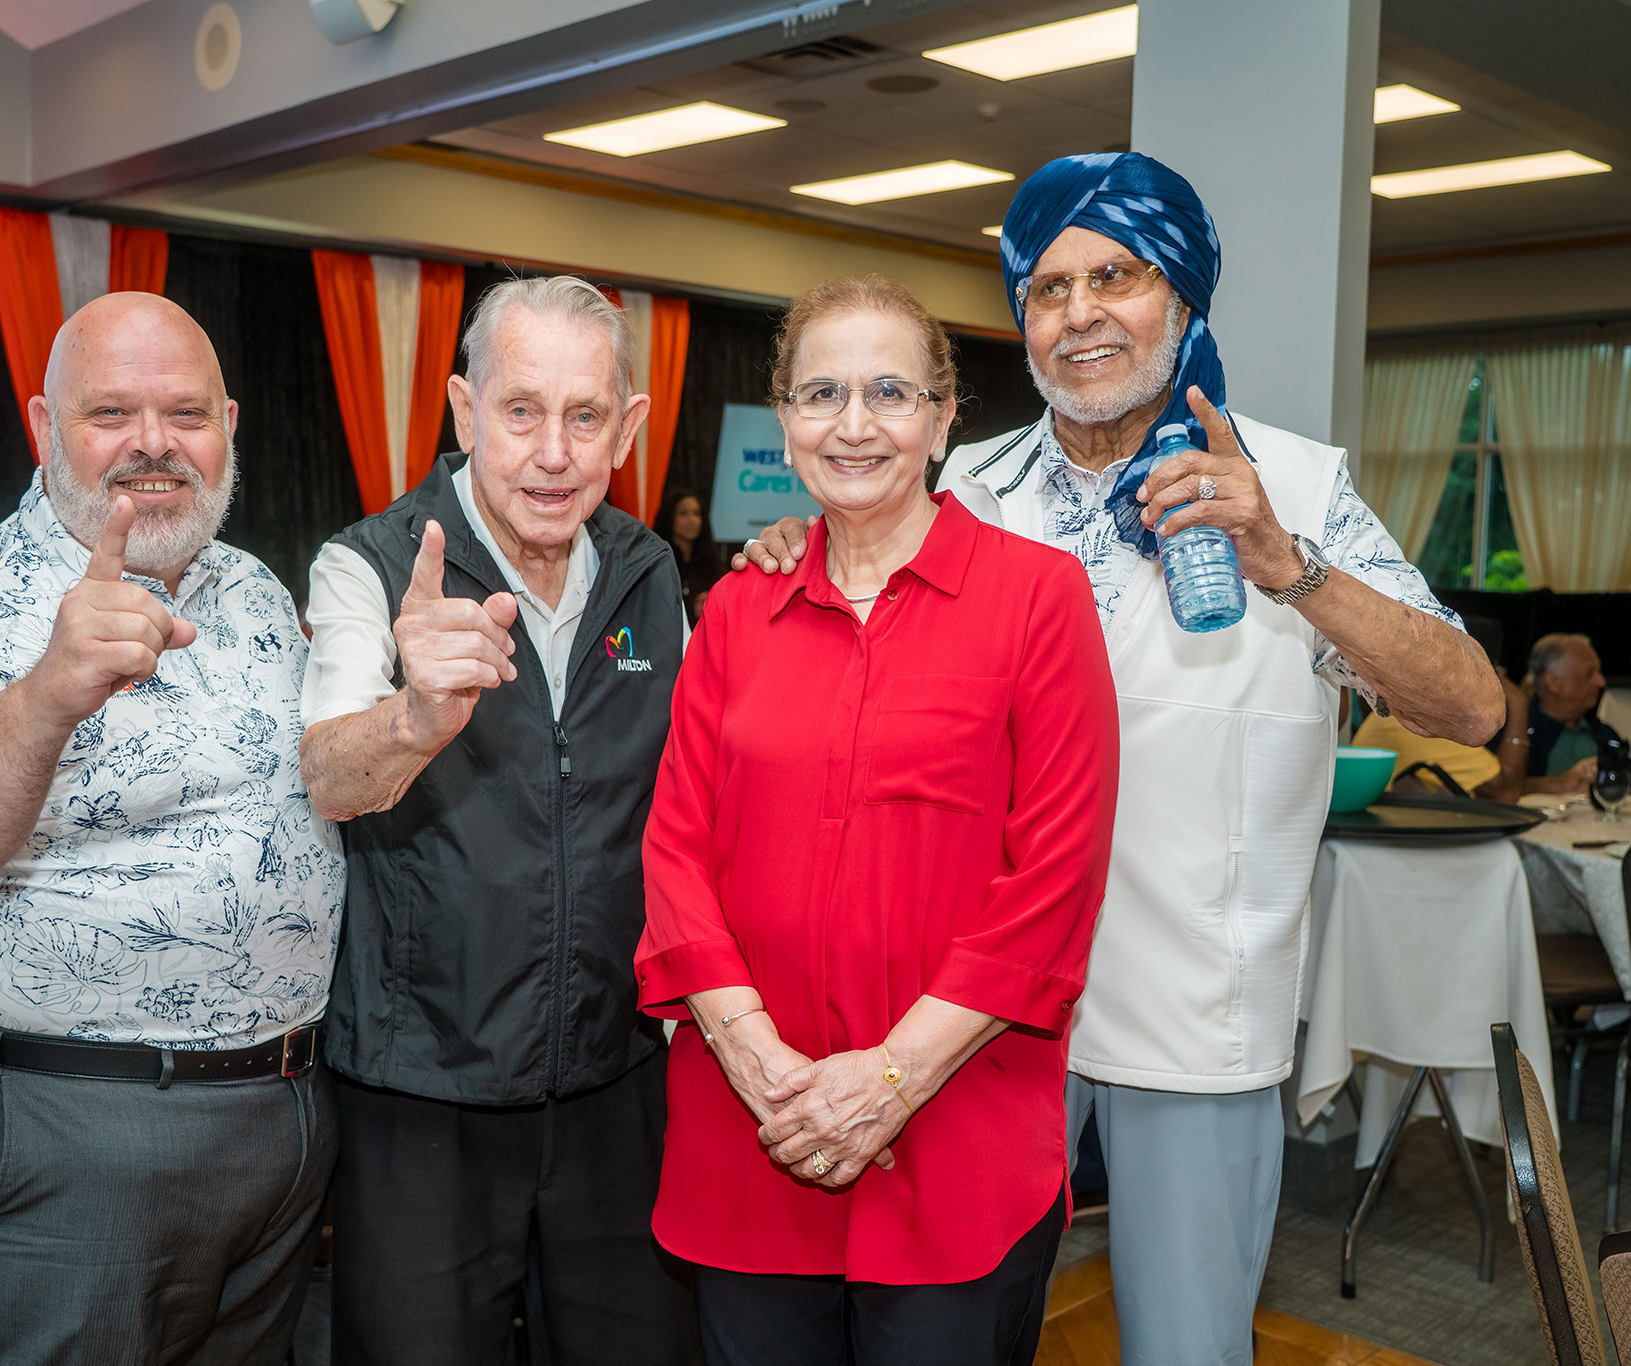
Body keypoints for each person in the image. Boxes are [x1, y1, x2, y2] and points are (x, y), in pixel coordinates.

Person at [739, 154, 1505, 1365]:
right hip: (960, 1020)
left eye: (1116, 276)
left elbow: (1470, 707)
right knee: (947, 1332)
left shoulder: (1292, 486)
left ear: (1182, 297)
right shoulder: (959, 487)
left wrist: (1286, 565)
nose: (1080, 312)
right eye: (1047, 288)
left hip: (1185, 1018)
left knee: (1182, 1348)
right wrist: (796, 543)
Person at [0, 293, 344, 1364]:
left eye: (186, 413)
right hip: (53, 1138)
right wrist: (44, 699)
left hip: (273, 1123)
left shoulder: (252, 589)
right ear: (43, 427)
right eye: (110, 412)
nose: (154, 443)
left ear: (229, 427)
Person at [636, 275, 1117, 1365]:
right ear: (786, 421)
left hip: (956, 1138)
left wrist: (889, 1077)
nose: (854, 424)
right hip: (753, 1126)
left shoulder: (1038, 601)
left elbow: (1054, 883)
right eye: (822, 394)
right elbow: (674, 848)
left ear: (943, 422)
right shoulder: (736, 610)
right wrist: (752, 1055)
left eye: (890, 393)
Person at [296, 275, 693, 1366]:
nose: (552, 454)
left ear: (628, 427)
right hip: (423, 1097)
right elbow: (327, 778)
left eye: (584, 416)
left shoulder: (650, 573)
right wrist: (413, 717)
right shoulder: (371, 565)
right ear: (466, 411)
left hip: (616, 1082)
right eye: (521, 412)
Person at [1358, 615, 1530, 800]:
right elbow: (1504, 792)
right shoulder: (1416, 714)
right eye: (1496, 672)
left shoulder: (1418, 706)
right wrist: (1518, 703)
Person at [1524, 632, 1623, 788]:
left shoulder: (1605, 735)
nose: (1601, 682)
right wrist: (1559, 784)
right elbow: (1497, 791)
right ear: (1554, 683)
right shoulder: (1518, 733)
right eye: (1589, 674)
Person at [654, 486, 725, 625]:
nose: (691, 520)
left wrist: (710, 601)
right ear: (669, 517)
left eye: (696, 513)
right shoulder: (657, 560)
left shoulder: (711, 561)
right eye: (683, 513)